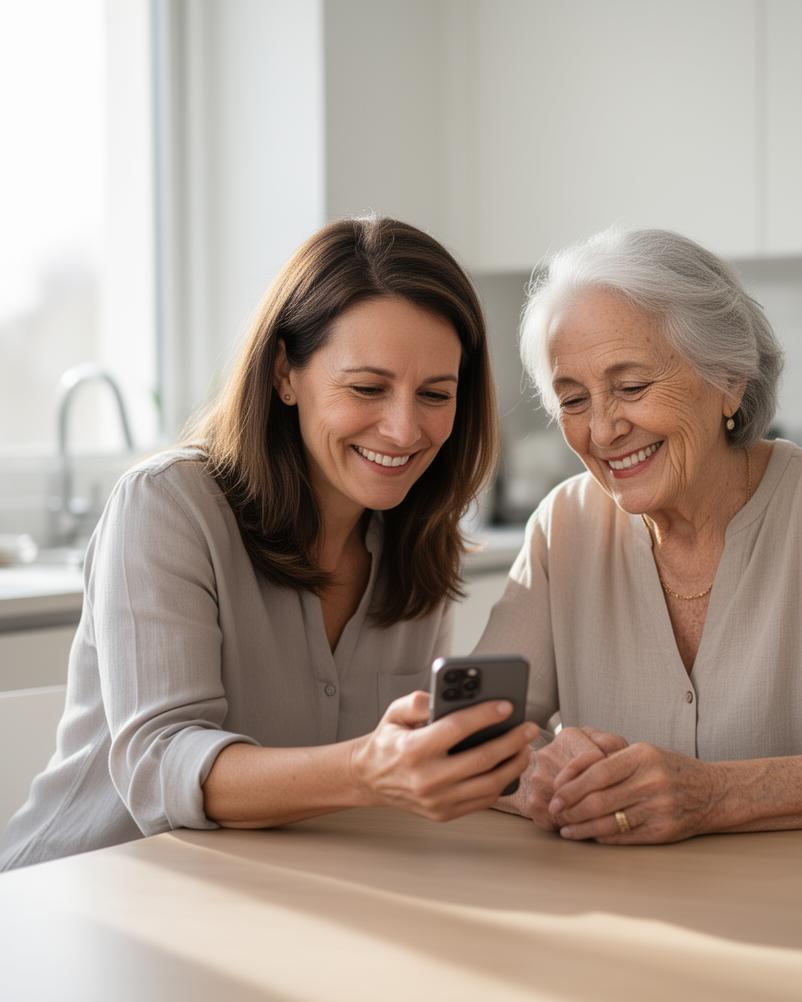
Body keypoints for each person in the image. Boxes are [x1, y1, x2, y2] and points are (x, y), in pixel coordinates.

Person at [1, 217, 538, 870]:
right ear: (286, 372)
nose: (403, 430)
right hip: (79, 895)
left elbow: (386, 770)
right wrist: (367, 771)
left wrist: (507, 770)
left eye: (435, 394)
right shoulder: (167, 505)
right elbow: (159, 764)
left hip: (265, 899)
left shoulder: (419, 539)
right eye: (367, 388)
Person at [479, 226, 802, 844]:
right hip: (612, 910)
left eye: (632, 387)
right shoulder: (564, 526)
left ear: (730, 380)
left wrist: (713, 796)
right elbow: (471, 736)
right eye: (573, 400)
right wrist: (538, 775)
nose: (603, 431)